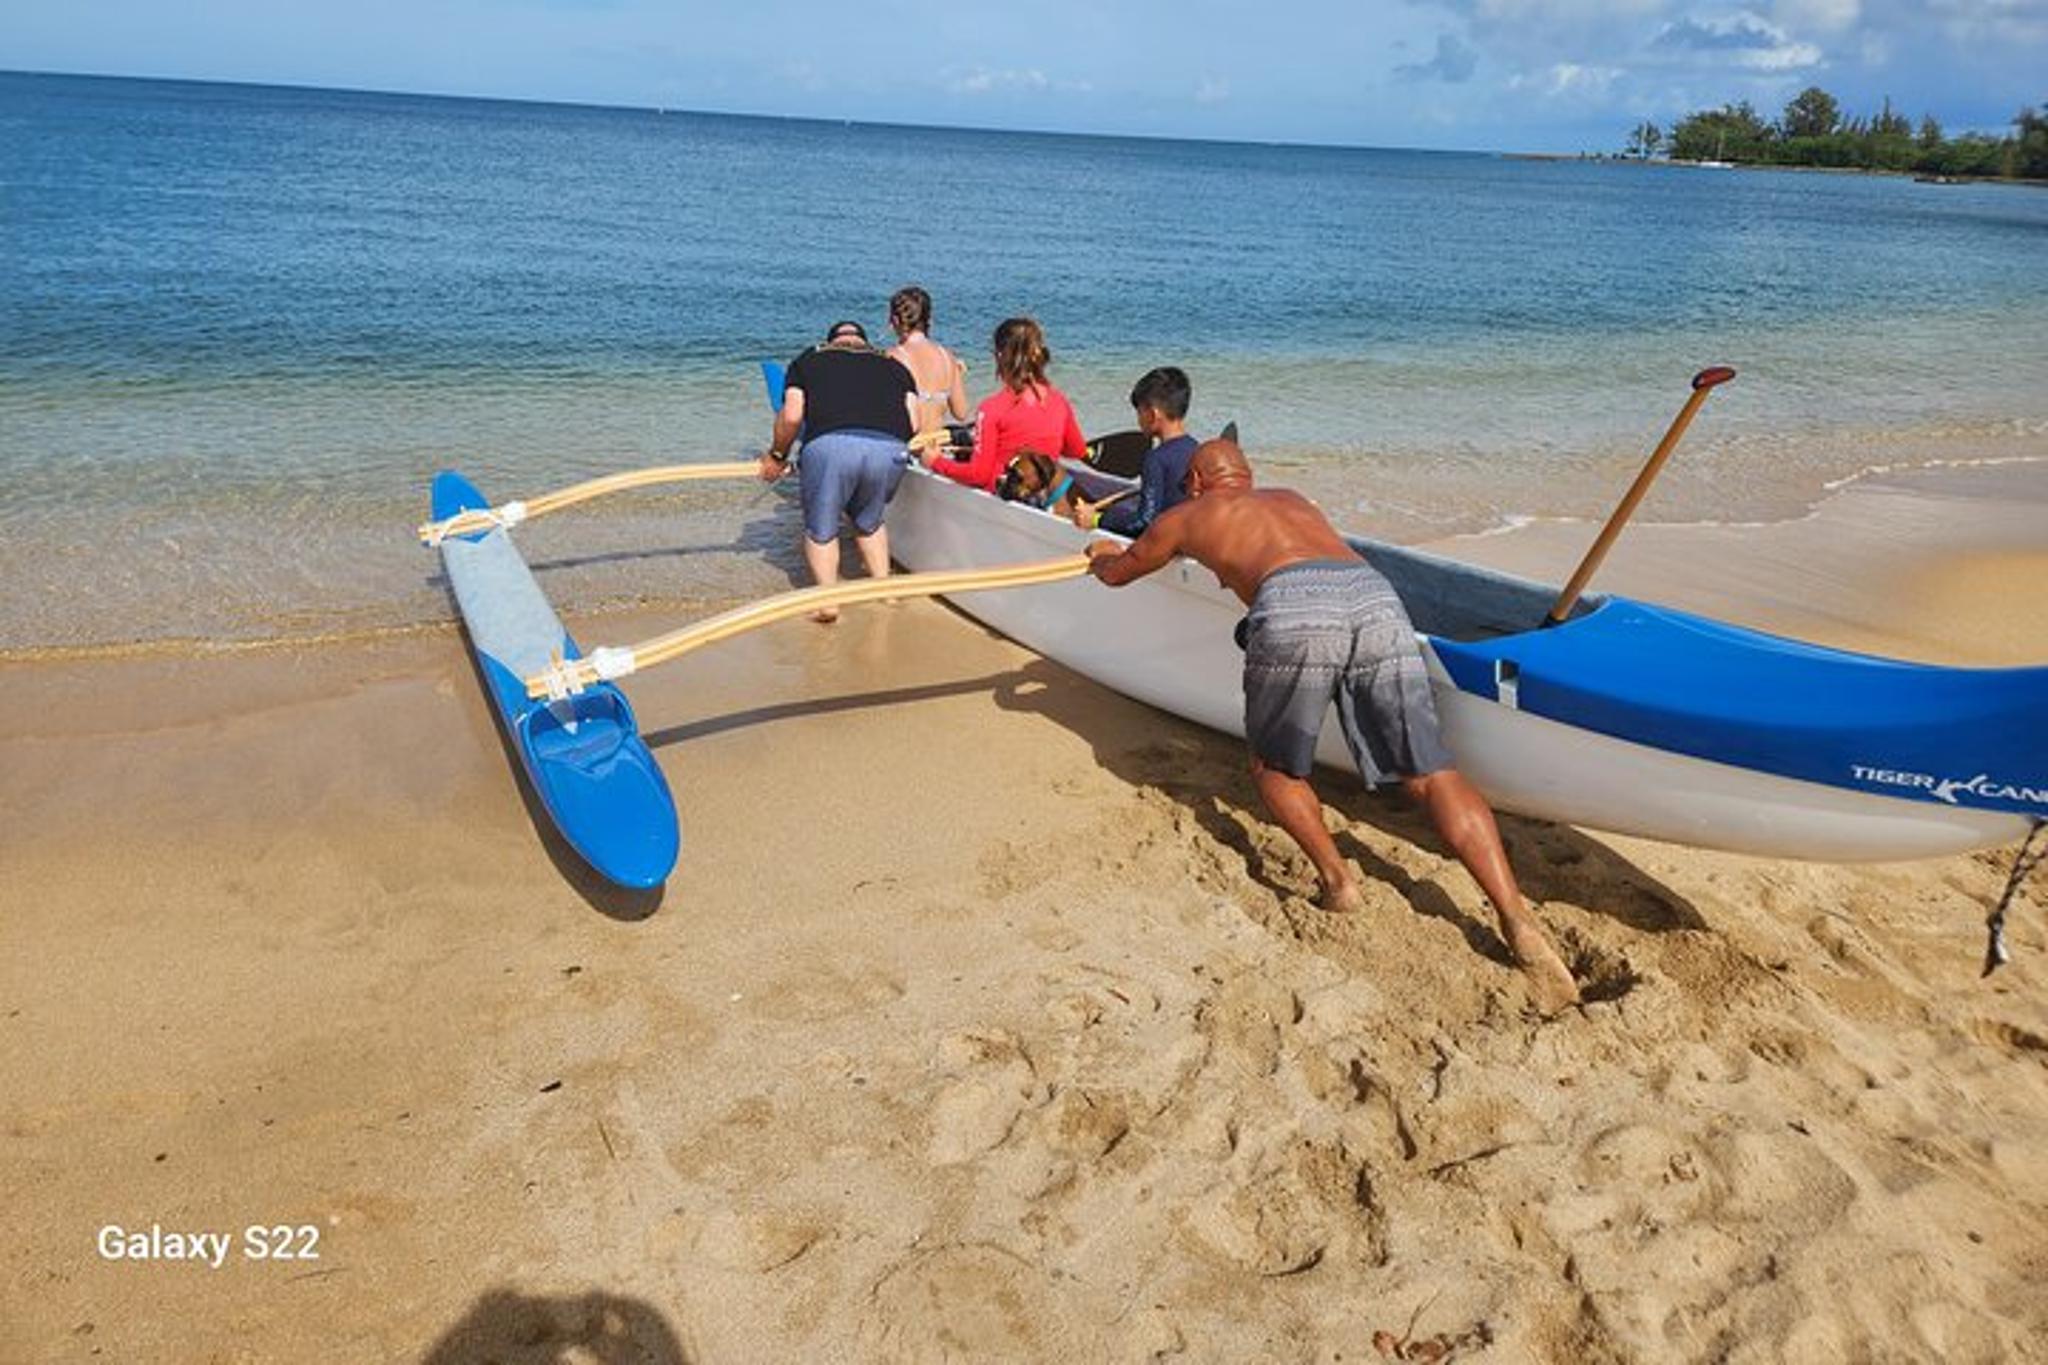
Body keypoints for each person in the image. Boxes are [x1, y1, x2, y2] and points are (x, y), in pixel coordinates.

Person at [1084, 439, 1582, 1013]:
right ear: (1247, 476)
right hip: (1375, 600)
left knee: (1274, 767)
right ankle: (1517, 919)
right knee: (1429, 772)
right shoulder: (1292, 497)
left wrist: (1100, 556)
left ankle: (1339, 883)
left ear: (1194, 483)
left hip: (1293, 606)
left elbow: (1124, 572)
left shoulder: (1189, 513)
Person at [758, 320, 920, 622]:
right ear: (862, 342)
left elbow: (792, 416)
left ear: (832, 341)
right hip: (891, 449)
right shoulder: (895, 366)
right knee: (869, 521)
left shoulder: (808, 359)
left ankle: (828, 604)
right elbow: (915, 422)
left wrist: (777, 456)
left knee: (822, 529)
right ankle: (886, 594)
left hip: (831, 446)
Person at [921, 316, 1085, 492]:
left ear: (999, 356)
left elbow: (978, 475)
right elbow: (1076, 450)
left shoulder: (992, 409)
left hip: (1002, 495)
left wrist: (935, 462)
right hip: (1039, 492)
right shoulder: (1058, 401)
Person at [1074, 366, 1197, 537]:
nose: (1138, 420)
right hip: (1188, 540)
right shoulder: (1197, 449)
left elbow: (1143, 522)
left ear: (1153, 414)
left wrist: (1097, 519)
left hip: (1162, 546)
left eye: (1139, 412)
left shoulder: (1156, 459)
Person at [885, 286, 970, 438]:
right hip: (937, 447)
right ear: (929, 320)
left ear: (895, 320)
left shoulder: (892, 357)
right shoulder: (947, 357)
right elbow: (961, 413)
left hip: (907, 447)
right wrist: (957, 376)